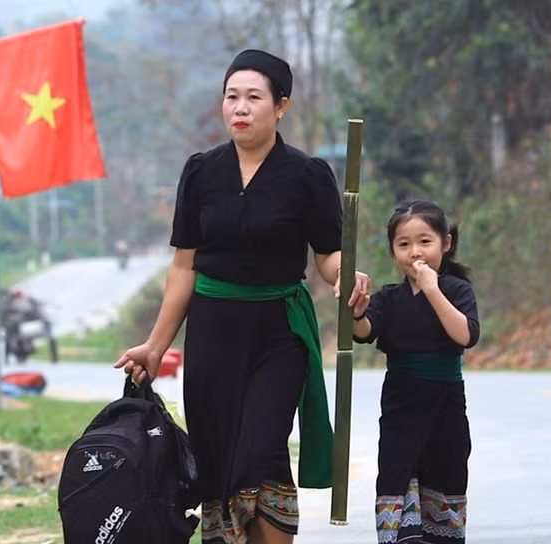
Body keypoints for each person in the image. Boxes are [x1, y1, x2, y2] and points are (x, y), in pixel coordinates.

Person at [114, 49, 370, 544]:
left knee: (261, 450)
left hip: (279, 332)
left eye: (254, 97)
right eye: (232, 97)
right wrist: (156, 344)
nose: (240, 107)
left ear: (281, 106)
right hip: (212, 335)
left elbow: (330, 255)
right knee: (219, 458)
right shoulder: (201, 173)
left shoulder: (307, 175)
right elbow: (184, 267)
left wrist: (348, 274)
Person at [351, 199, 480, 544]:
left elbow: (465, 335)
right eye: (404, 244)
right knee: (397, 482)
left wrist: (432, 289)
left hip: (446, 408)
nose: (415, 252)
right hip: (400, 408)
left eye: (425, 241)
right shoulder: (390, 297)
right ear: (393, 251)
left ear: (446, 243)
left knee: (445, 480)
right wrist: (357, 312)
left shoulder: (457, 290)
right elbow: (364, 332)